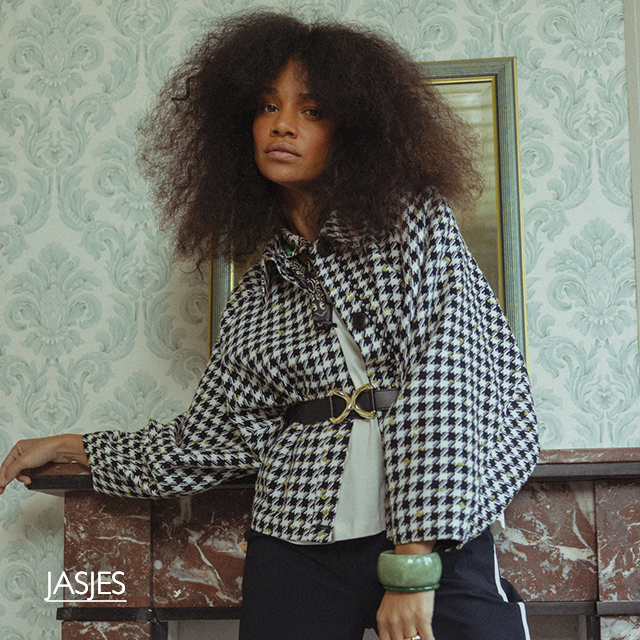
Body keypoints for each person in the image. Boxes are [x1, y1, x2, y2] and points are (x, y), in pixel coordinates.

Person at [0, 11, 539, 640]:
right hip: (296, 534)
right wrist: (75, 447)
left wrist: (413, 565)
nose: (282, 124)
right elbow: (209, 441)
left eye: (312, 110)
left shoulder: (413, 225)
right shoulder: (257, 295)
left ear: (354, 131)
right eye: (266, 106)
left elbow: (447, 382)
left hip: (434, 523)